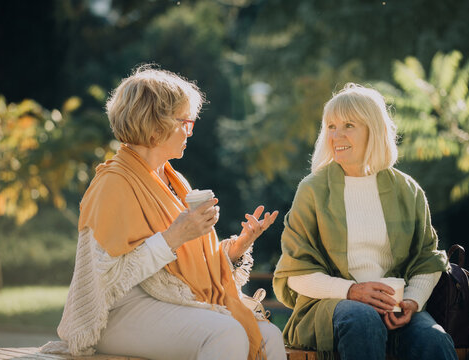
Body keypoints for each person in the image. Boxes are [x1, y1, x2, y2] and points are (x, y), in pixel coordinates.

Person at [41, 66, 286, 360]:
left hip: (169, 303)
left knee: (268, 336)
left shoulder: (175, 181)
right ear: (156, 125)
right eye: (186, 122)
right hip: (117, 312)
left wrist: (239, 246)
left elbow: (189, 265)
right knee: (226, 332)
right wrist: (174, 236)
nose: (190, 131)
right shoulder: (112, 183)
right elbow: (108, 279)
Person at [273, 83, 457, 360]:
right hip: (332, 305)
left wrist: (412, 300)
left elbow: (427, 260)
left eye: (349, 125)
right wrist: (351, 291)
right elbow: (295, 273)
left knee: (435, 340)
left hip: (395, 306)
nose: (337, 135)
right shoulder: (313, 189)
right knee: (362, 320)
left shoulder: (407, 190)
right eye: (331, 126)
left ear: (374, 129)